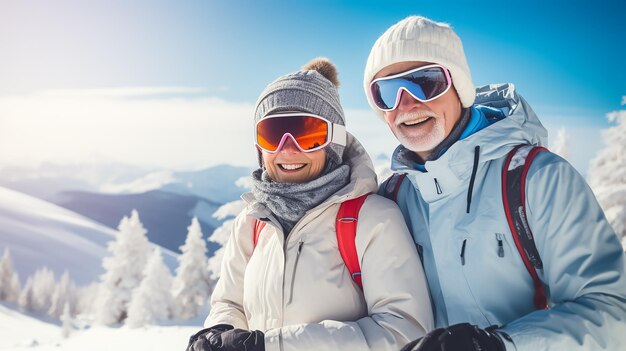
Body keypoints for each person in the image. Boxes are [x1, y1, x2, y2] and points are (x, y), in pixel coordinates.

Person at [362, 16, 626, 351]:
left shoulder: (536, 179)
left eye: (425, 82)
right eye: (386, 92)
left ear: (459, 87)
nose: (407, 104)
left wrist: (500, 344)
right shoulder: (393, 199)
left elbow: (611, 311)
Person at [186, 58, 433, 351]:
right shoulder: (252, 222)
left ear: (334, 144)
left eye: (308, 134)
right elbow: (229, 302)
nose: (288, 149)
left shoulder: (372, 219)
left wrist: (271, 346)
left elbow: (405, 331)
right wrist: (219, 333)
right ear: (259, 148)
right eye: (272, 134)